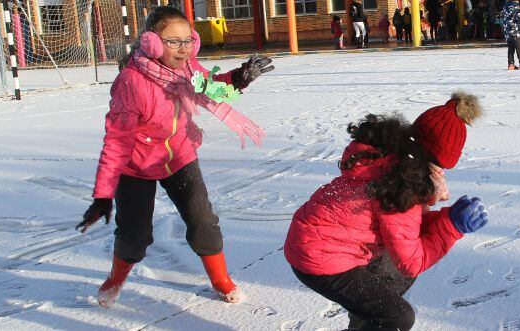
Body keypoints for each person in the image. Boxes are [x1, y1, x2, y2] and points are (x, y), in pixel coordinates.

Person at [76, 6, 274, 308]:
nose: (183, 49)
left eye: (187, 41)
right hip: (135, 166)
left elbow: (214, 85)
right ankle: (116, 278)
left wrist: (241, 77)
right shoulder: (132, 82)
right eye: (173, 41)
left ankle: (220, 279)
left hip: (178, 155)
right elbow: (116, 141)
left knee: (203, 222)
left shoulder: (188, 70)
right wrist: (103, 195)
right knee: (135, 235)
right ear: (151, 43)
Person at [284, 92, 489, 330]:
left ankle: (364, 322)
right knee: (397, 317)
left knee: (391, 279)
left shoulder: (386, 159)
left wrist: (446, 218)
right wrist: (452, 228)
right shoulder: (400, 186)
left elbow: (403, 229)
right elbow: (412, 261)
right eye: (439, 168)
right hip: (320, 259)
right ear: (429, 161)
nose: (440, 176)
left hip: (315, 241)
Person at [503, 0, 520, 69]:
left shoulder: (506, 5)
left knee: (511, 48)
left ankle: (511, 64)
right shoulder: (517, 6)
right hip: (514, 30)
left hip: (507, 30)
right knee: (519, 47)